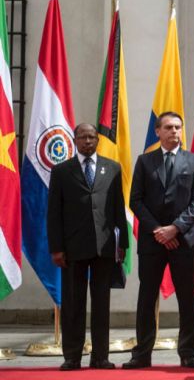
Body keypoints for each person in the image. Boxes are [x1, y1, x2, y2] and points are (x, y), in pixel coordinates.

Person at [123, 112, 194, 369]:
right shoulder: (145, 162)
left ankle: (189, 353)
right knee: (147, 298)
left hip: (183, 241)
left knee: (185, 298)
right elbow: (135, 200)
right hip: (152, 241)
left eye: (178, 128)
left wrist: (175, 229)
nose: (174, 132)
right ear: (157, 131)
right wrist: (159, 230)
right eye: (168, 127)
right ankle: (142, 354)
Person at [47, 123, 128, 371]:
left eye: (92, 137)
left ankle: (100, 356)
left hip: (103, 247)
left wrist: (121, 244)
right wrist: (56, 248)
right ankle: (72, 356)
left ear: (98, 140)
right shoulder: (61, 171)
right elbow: (54, 213)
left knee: (101, 304)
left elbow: (117, 208)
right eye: (82, 137)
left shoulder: (112, 168)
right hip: (72, 248)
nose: (88, 141)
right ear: (74, 140)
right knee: (73, 303)